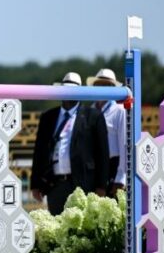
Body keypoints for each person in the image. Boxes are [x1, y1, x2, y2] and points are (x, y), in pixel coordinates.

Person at [31, 72, 111, 215]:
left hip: (83, 184)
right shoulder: (48, 117)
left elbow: (102, 153)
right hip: (55, 184)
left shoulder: (93, 116)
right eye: (65, 90)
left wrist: (101, 186)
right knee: (56, 228)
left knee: (82, 231)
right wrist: (35, 184)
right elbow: (39, 151)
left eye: (72, 90)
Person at [88, 68, 128, 196]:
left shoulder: (119, 111)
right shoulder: (90, 110)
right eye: (98, 85)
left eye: (105, 85)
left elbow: (124, 146)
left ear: (112, 87)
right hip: (93, 168)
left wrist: (121, 178)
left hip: (113, 166)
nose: (101, 88)